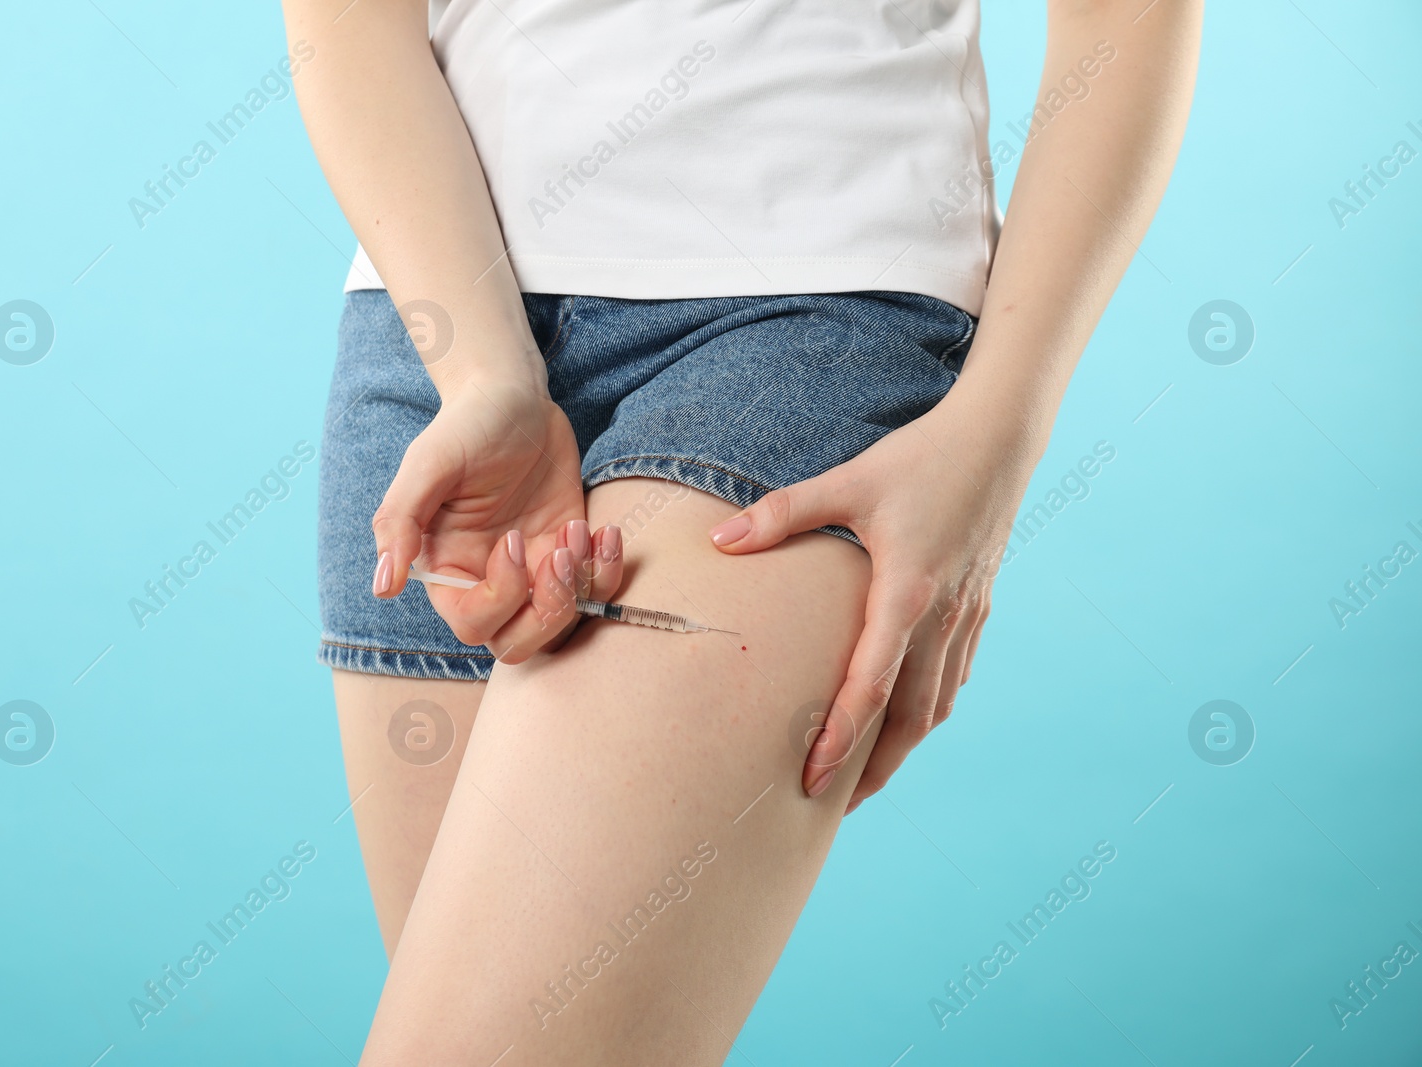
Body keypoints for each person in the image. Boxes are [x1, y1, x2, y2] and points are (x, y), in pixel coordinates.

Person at [284, 0, 1201, 1061]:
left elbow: (1127, 19)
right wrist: (481, 368)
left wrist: (999, 428)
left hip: (797, 319)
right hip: (437, 343)